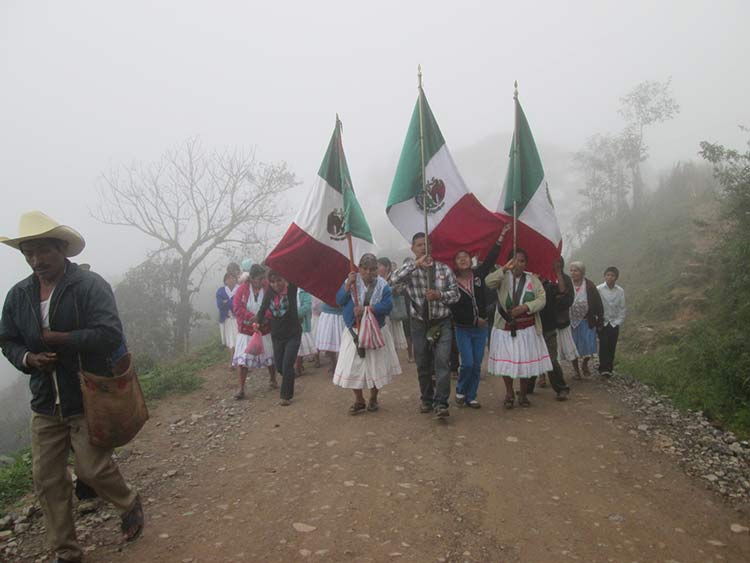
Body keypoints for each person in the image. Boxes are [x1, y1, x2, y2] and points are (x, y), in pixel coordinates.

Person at [0, 211, 143, 563]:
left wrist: (62, 339)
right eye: (28, 253)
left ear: (61, 249)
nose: (35, 260)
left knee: (92, 470)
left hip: (87, 393)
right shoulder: (18, 296)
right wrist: (28, 358)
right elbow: (7, 339)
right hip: (46, 402)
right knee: (47, 481)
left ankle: (128, 501)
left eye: (42, 251)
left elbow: (110, 334)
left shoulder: (89, 287)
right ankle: (66, 551)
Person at [390, 233, 459, 418]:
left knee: (442, 361)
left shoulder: (444, 269)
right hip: (419, 323)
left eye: (426, 244)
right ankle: (426, 399)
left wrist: (439, 295)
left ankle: (441, 403)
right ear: (413, 248)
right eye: (419, 245)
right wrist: (415, 264)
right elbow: (393, 281)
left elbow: (455, 294)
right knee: (422, 362)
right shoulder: (410, 270)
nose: (423, 248)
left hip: (442, 322)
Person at [450, 224, 510, 409]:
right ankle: (461, 390)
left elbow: (491, 259)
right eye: (459, 258)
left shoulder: (478, 275)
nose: (463, 260)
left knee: (476, 364)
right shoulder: (451, 282)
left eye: (465, 257)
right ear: (455, 263)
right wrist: (473, 320)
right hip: (463, 329)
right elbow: (454, 308)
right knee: (467, 363)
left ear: (471, 260)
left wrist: (500, 237)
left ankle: (471, 396)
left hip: (481, 329)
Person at [333, 254, 402, 414]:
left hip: (376, 331)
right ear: (360, 268)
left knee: (375, 367)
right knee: (352, 366)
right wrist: (347, 286)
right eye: (365, 269)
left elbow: (387, 306)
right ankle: (359, 400)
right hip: (353, 332)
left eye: (372, 269)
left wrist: (366, 310)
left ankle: (373, 398)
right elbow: (339, 301)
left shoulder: (383, 285)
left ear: (377, 270)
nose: (369, 272)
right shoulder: (351, 281)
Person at [485, 248, 552, 408]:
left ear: (526, 264)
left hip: (527, 328)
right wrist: (504, 269)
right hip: (504, 327)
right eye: (515, 260)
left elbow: (542, 299)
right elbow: (488, 282)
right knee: (507, 362)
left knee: (524, 362)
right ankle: (509, 392)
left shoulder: (532, 280)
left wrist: (525, 307)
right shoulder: (502, 276)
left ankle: (522, 394)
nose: (519, 264)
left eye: (522, 261)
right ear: (509, 262)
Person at [255, 271, 301, 406]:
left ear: (284, 280)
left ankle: (286, 395)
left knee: (287, 365)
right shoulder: (269, 293)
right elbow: (262, 309)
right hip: (277, 336)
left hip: (293, 334)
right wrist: (258, 321)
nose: (276, 284)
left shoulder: (291, 290)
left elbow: (295, 275)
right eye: (273, 281)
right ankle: (289, 376)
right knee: (280, 366)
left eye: (279, 280)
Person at [232, 264, 277, 399]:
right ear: (251, 278)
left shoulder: (268, 288)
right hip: (246, 330)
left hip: (264, 327)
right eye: (259, 278)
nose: (262, 281)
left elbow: (274, 304)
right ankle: (241, 388)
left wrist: (264, 316)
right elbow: (237, 308)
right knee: (243, 360)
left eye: (263, 278)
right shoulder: (241, 290)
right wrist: (250, 317)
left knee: (270, 356)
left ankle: (272, 379)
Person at [532, 257, 574, 400]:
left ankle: (561, 388)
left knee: (551, 359)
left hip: (549, 325)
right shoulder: (530, 281)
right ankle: (528, 388)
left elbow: (563, 292)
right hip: (531, 326)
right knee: (531, 358)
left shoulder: (551, 283)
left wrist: (557, 272)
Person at [568, 261, 604, 379]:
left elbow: (598, 304)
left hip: (587, 320)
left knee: (589, 344)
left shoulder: (589, 286)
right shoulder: (567, 285)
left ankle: (584, 363)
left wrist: (600, 320)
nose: (573, 273)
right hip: (571, 322)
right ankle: (576, 371)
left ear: (582, 272)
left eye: (576, 270)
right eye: (571, 270)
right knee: (573, 347)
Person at [597, 267, 626, 377]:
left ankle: (609, 367)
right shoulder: (599, 289)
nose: (610, 277)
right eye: (608, 275)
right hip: (603, 322)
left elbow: (622, 307)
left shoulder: (620, 291)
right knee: (603, 344)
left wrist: (618, 321)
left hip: (614, 323)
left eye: (612, 275)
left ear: (616, 277)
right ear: (604, 276)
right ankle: (603, 368)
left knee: (612, 345)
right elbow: (596, 305)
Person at [378, 257, 408, 351]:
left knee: (393, 340)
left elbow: (399, 289)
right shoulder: (377, 280)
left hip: (394, 313)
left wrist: (388, 290)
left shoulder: (394, 277)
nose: (377, 268)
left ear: (387, 267)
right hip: (383, 314)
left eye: (380, 266)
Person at [316, 300, 345, 374]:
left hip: (341, 315)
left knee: (342, 344)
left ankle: (341, 366)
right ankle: (334, 364)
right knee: (330, 343)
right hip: (327, 315)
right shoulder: (326, 289)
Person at [216, 272, 238, 362]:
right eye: (228, 278)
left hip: (237, 319)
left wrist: (227, 301)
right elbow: (220, 305)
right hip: (227, 319)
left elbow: (239, 304)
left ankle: (239, 361)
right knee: (230, 341)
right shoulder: (220, 291)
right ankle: (232, 360)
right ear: (225, 281)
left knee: (238, 339)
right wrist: (232, 301)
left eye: (232, 278)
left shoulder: (239, 289)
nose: (230, 280)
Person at [295, 288, 314, 376]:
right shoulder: (287, 290)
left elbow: (307, 306)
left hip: (302, 324)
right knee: (297, 348)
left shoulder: (304, 292)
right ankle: (298, 366)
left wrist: (295, 314)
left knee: (299, 348)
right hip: (291, 324)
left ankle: (297, 367)